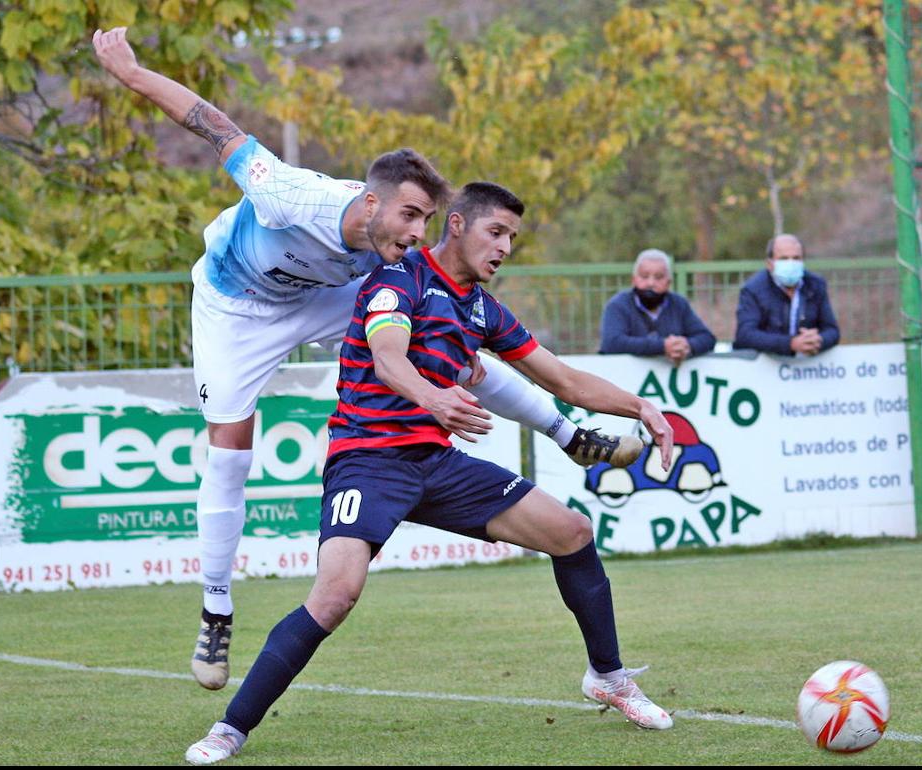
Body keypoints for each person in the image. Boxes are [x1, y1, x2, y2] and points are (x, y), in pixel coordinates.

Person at [91, 27, 644, 692]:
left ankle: (568, 433)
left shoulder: (393, 254)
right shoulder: (288, 193)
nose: (418, 234)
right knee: (232, 449)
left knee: (451, 346)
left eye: (426, 221)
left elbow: (443, 301)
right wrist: (130, 72)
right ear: (371, 203)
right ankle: (215, 606)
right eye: (411, 217)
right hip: (236, 305)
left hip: (323, 296)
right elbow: (211, 122)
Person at [183, 182, 677, 764]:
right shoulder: (399, 279)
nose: (505, 247)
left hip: (436, 464)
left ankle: (609, 677)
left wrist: (642, 407)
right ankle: (230, 729)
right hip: (367, 458)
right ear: (459, 225)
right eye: (497, 232)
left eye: (513, 238)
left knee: (572, 533)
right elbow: (389, 358)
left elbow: (564, 380)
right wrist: (435, 399)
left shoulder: (483, 309)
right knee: (336, 595)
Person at [599, 248, 716, 366]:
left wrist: (686, 346)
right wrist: (663, 346)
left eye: (659, 277)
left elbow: (707, 338)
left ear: (669, 282)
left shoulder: (679, 304)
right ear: (633, 280)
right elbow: (612, 343)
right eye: (644, 276)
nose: (651, 283)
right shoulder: (617, 305)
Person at [733, 234, 840, 356]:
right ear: (769, 264)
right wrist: (790, 344)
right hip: (764, 366)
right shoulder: (753, 289)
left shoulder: (816, 285)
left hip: (808, 370)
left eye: (796, 258)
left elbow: (832, 331)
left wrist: (817, 341)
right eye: (784, 258)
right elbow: (745, 335)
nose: (791, 263)